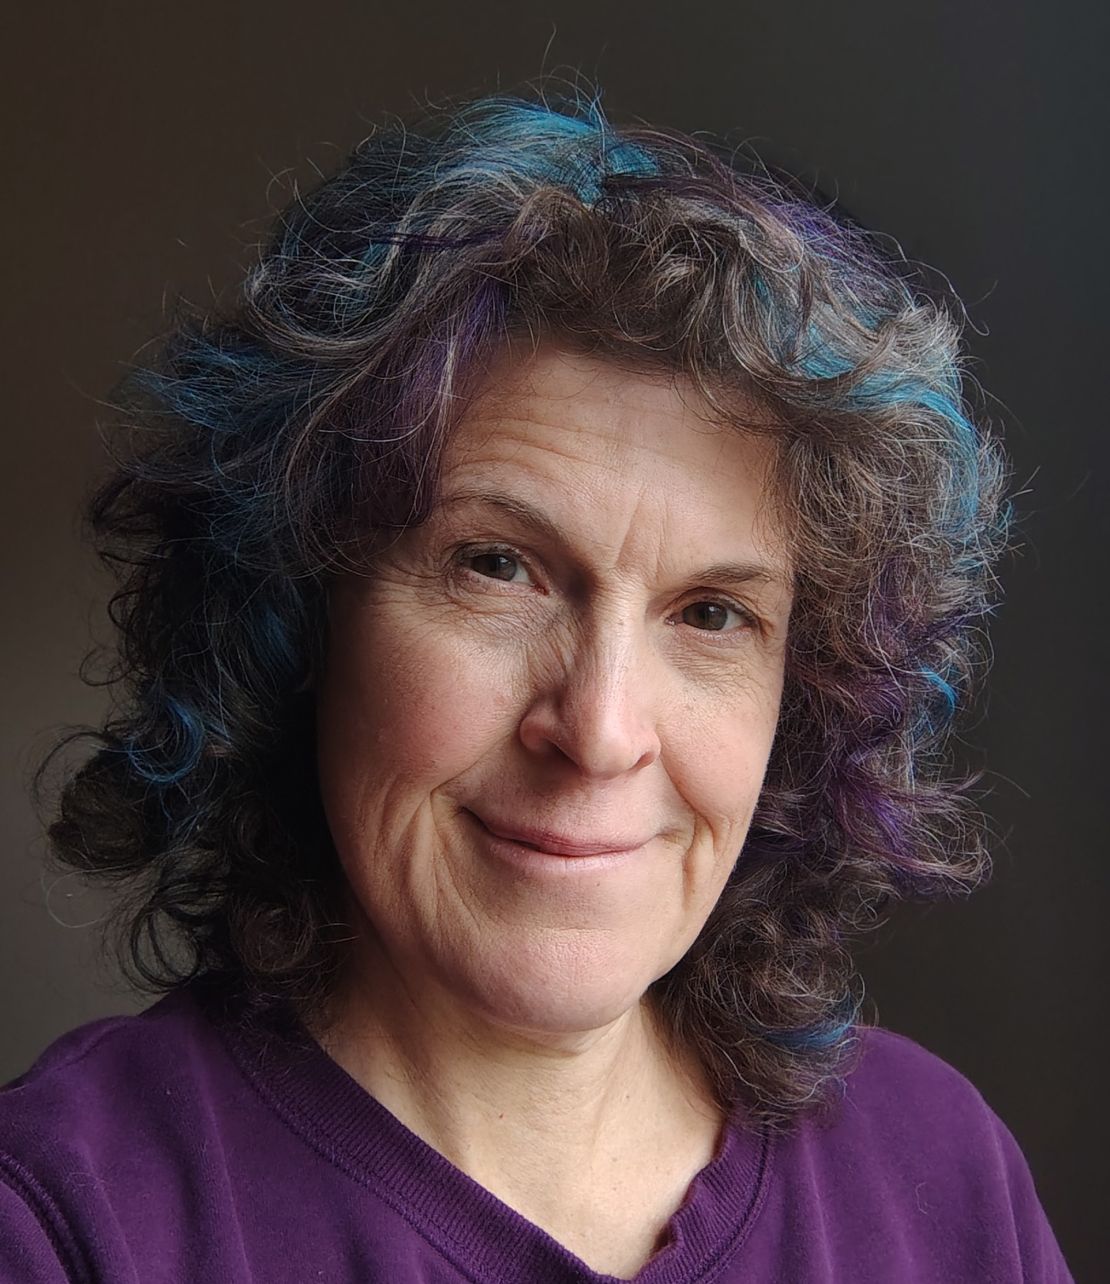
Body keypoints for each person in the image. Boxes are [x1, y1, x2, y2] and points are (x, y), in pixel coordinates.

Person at [0, 86, 1073, 1282]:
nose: (600, 731)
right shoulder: (61, 1222)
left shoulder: (938, 1178)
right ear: (298, 614)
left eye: (712, 614)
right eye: (497, 567)